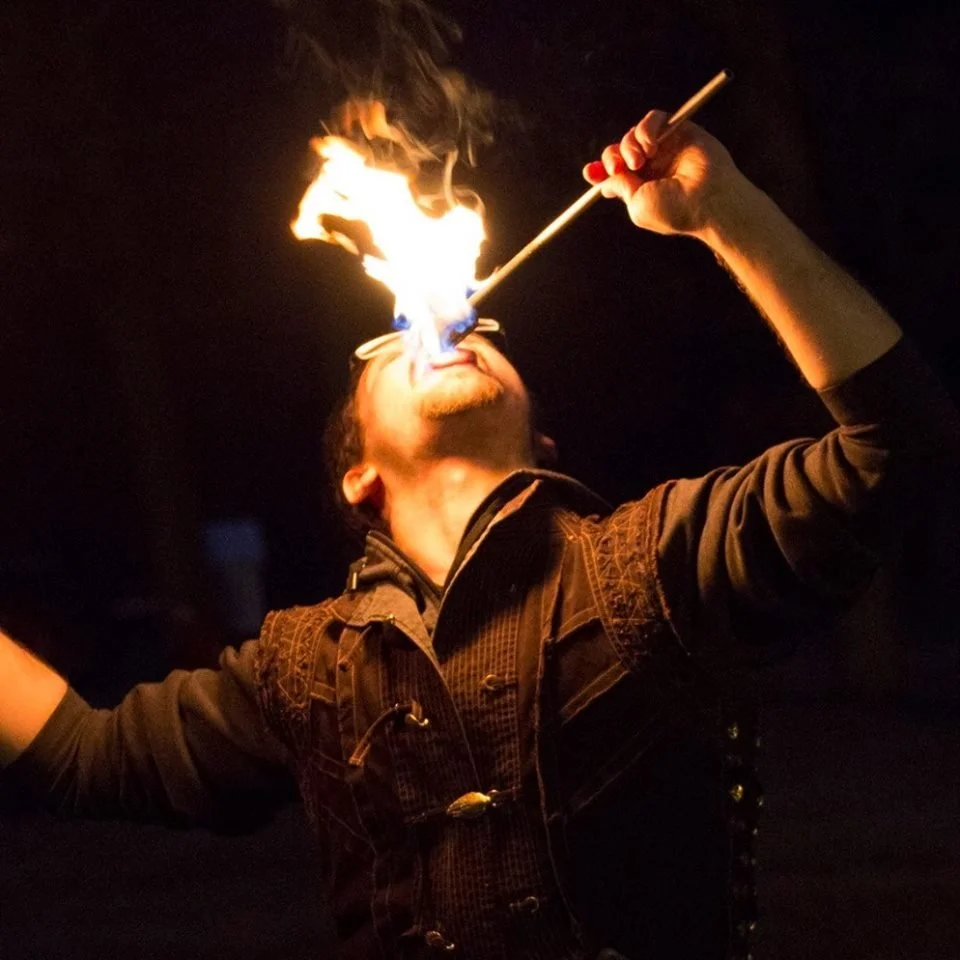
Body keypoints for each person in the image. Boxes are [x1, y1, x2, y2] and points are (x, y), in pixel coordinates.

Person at [1, 110, 957, 960]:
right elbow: (84, 755)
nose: (440, 331)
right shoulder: (304, 670)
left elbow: (897, 445)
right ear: (360, 474)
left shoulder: (659, 558)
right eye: (385, 344)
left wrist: (726, 213)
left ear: (538, 438)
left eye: (483, 334)